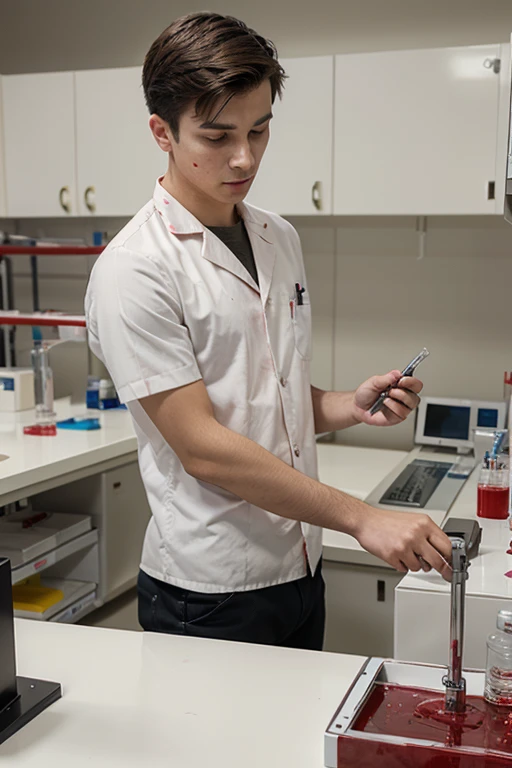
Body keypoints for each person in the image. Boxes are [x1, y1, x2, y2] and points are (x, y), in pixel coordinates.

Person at [85, 12, 452, 651]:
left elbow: (268, 397)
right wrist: (362, 518)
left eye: (260, 130)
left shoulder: (276, 236)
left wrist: (346, 406)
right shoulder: (135, 268)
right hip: (210, 588)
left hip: (299, 566)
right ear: (162, 133)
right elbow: (201, 445)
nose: (244, 156)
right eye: (218, 135)